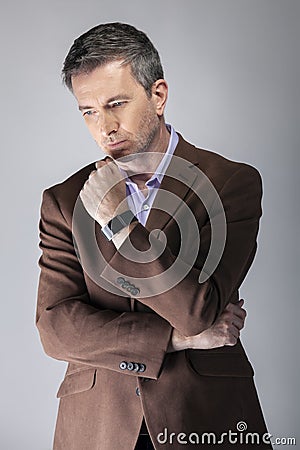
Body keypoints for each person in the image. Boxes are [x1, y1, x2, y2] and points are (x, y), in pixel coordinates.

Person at [36, 22, 272, 450]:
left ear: (158, 96)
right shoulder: (65, 202)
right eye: (87, 110)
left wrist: (122, 225)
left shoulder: (231, 184)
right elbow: (56, 330)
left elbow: (197, 310)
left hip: (204, 415)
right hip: (98, 426)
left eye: (116, 104)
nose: (103, 127)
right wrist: (175, 340)